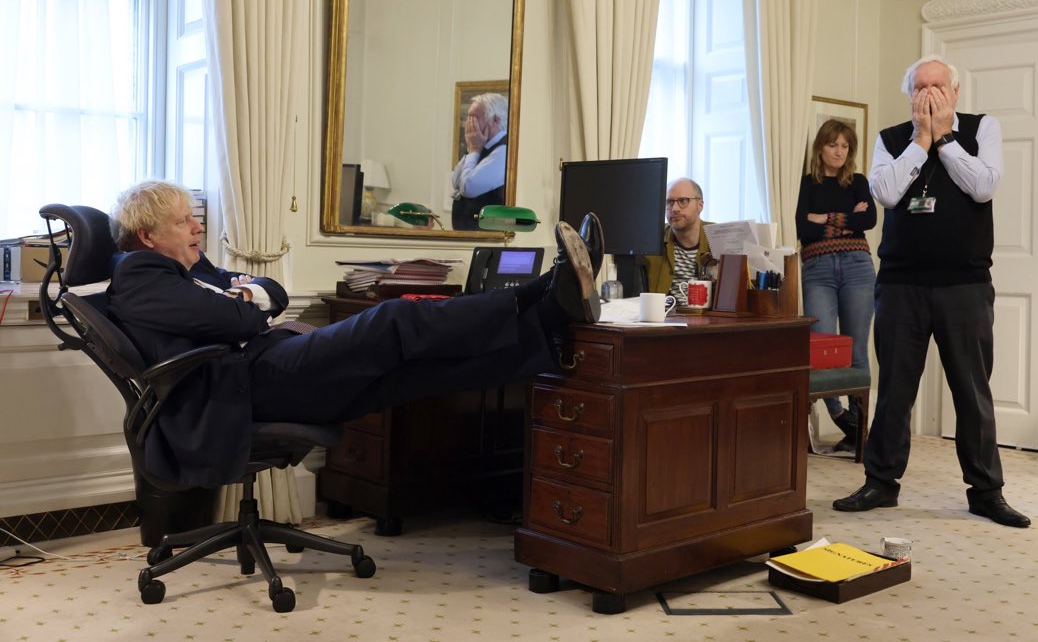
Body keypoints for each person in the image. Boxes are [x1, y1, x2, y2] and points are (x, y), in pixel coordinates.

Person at [106, 180, 602, 488]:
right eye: (184, 221)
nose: (198, 226)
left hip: (265, 365)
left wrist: (249, 296)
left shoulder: (191, 270)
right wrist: (247, 301)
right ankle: (540, 291)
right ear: (148, 237)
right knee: (393, 319)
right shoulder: (140, 276)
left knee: (414, 371)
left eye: (195, 216)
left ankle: (548, 327)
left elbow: (272, 292)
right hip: (246, 386)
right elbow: (242, 319)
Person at [832, 55, 1030, 528]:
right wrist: (921, 141)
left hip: (964, 285)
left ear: (955, 93)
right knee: (895, 391)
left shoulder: (983, 129)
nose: (929, 96)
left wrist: (943, 139)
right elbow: (886, 193)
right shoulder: (891, 139)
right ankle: (881, 482)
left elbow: (983, 186)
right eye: (920, 88)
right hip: (901, 284)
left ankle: (986, 491)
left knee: (971, 390)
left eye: (937, 87)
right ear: (910, 95)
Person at [795, 118, 877, 453]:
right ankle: (843, 416)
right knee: (823, 350)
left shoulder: (857, 181)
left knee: (857, 349)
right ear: (820, 147)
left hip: (858, 268)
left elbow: (868, 220)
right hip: (817, 269)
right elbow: (803, 227)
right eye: (833, 145)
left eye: (845, 146)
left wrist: (824, 219)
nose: (839, 152)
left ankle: (861, 434)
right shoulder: (805, 184)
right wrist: (846, 220)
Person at [644, 177, 712, 307]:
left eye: (683, 201)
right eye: (669, 202)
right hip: (663, 319)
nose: (674, 208)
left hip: (706, 322)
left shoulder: (717, 238)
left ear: (700, 205)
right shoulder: (652, 237)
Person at [451, 92, 508, 230]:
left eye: (474, 117)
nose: (468, 123)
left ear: (495, 120)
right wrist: (473, 149)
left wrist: (475, 149)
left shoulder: (504, 150)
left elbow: (468, 188)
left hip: (486, 238)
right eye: (467, 117)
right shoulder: (481, 145)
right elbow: (455, 181)